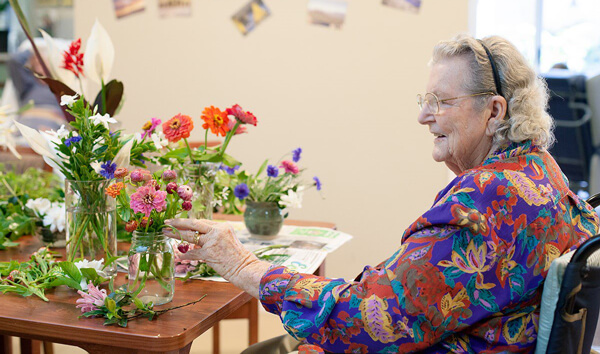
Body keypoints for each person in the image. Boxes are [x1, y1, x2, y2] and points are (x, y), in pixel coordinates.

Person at [164, 34, 600, 353]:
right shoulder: (540, 170)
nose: (422, 116)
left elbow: (375, 320)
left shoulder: (487, 198)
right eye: (423, 99)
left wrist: (244, 266)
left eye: (441, 101)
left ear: (494, 111)